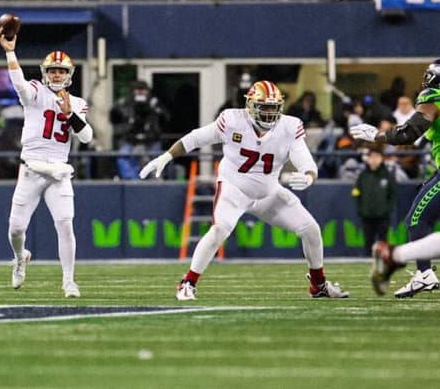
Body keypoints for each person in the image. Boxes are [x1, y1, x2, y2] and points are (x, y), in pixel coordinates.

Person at [140, 80, 349, 300]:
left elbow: (303, 156)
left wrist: (309, 175)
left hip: (268, 193)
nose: (269, 113)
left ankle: (318, 285)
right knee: (220, 229)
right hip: (234, 189)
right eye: (264, 107)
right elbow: (196, 138)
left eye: (273, 107)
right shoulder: (232, 120)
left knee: (311, 229)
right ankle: (187, 283)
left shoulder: (290, 126)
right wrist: (166, 156)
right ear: (249, 105)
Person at [0, 31, 94, 298]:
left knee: (65, 225)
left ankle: (69, 281)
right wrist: (10, 52)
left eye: (61, 71)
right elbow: (18, 83)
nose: (56, 75)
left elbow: (87, 137)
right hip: (31, 168)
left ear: (69, 74)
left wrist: (69, 114)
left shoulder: (77, 103)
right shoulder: (36, 92)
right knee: (16, 228)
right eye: (52, 71)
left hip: (58, 172)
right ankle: (20, 258)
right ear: (45, 72)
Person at [352, 59, 440, 298]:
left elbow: (410, 133)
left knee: (417, 219)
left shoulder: (433, 96)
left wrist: (377, 135)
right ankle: (423, 273)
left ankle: (417, 271)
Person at [110, 80, 168, 180]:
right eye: (138, 91)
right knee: (123, 156)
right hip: (131, 141)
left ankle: (156, 179)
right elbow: (114, 118)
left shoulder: (154, 103)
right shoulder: (126, 104)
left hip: (151, 140)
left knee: (158, 158)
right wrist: (120, 107)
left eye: (143, 91)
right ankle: (132, 180)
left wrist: (154, 108)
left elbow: (166, 120)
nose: (140, 94)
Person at [352, 144, 396, 257]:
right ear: (368, 159)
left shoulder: (387, 175)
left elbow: (393, 195)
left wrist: (386, 210)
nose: (374, 160)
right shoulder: (363, 176)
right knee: (368, 241)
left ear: (381, 159)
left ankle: (385, 263)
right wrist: (361, 210)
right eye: (372, 157)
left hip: (382, 216)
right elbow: (356, 193)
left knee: (383, 241)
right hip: (366, 216)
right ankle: (367, 263)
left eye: (377, 157)